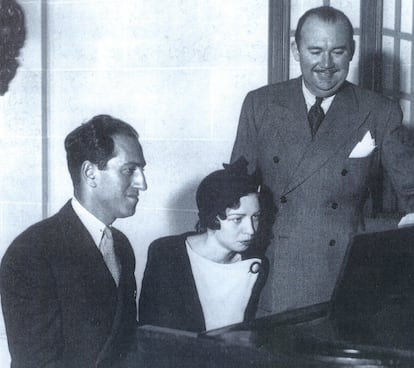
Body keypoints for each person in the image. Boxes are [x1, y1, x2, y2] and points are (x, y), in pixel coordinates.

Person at [231, 6, 414, 315]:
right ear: (295, 50)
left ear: (351, 52)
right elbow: (236, 191)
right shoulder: (259, 104)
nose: (326, 65)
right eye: (315, 51)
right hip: (275, 270)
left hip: (344, 273)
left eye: (338, 52)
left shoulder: (380, 111)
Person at [0, 114, 147, 368]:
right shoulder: (31, 253)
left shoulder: (121, 246)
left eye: (141, 170)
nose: (142, 183)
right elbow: (37, 363)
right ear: (90, 173)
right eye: (129, 170)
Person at [138, 157, 270, 332]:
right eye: (237, 219)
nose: (251, 230)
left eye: (256, 217)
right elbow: (153, 333)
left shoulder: (257, 263)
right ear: (211, 217)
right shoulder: (166, 254)